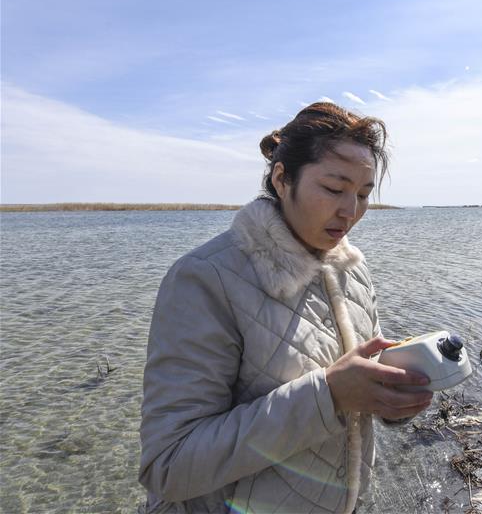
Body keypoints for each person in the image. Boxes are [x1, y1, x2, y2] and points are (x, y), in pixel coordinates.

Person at [139, 102, 433, 513]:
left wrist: (393, 398)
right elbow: (168, 467)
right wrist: (329, 395)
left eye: (364, 194)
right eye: (333, 189)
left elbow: (359, 391)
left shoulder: (353, 270)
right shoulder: (204, 279)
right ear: (282, 178)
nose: (351, 212)